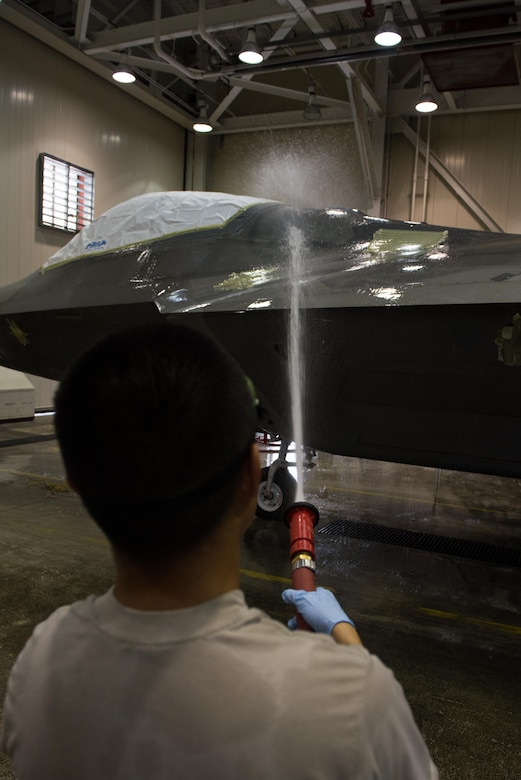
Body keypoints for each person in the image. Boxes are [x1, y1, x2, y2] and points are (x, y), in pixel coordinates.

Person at [1, 321, 438, 779]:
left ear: (77, 486)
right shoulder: (353, 703)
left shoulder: (41, 665)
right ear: (252, 477)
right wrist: (346, 642)